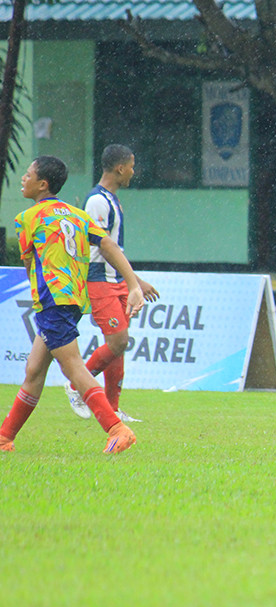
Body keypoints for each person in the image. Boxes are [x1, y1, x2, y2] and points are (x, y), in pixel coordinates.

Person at [0, 156, 145, 454]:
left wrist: (41, 300)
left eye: (28, 175)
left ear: (43, 184)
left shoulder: (28, 219)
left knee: (74, 368)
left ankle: (117, 429)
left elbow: (30, 267)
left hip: (52, 300)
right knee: (34, 370)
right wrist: (133, 284)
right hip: (74, 299)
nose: (23, 179)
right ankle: (4, 438)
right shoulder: (76, 215)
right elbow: (108, 245)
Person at [63, 144, 158, 422]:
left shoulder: (111, 199)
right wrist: (133, 283)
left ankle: (113, 408)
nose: (133, 172)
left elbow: (115, 249)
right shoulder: (97, 201)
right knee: (119, 340)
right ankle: (76, 386)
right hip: (99, 279)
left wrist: (135, 281)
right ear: (120, 168)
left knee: (118, 343)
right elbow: (103, 248)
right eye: (131, 166)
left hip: (114, 279)